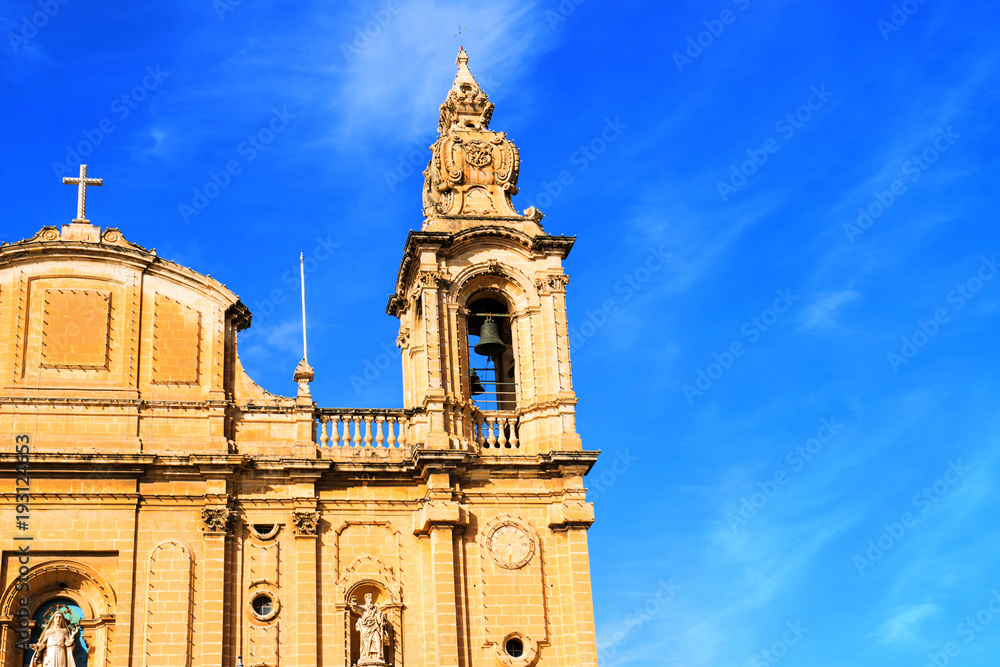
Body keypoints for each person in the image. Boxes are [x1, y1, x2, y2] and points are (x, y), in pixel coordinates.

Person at [350, 593, 388, 665]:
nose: (370, 600)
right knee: (366, 644)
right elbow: (355, 609)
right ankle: (366, 656)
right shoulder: (363, 608)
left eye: (371, 598)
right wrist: (353, 602)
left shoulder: (376, 609)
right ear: (366, 599)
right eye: (369, 598)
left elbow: (381, 617)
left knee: (377, 640)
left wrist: (382, 619)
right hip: (366, 630)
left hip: (375, 628)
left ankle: (378, 656)